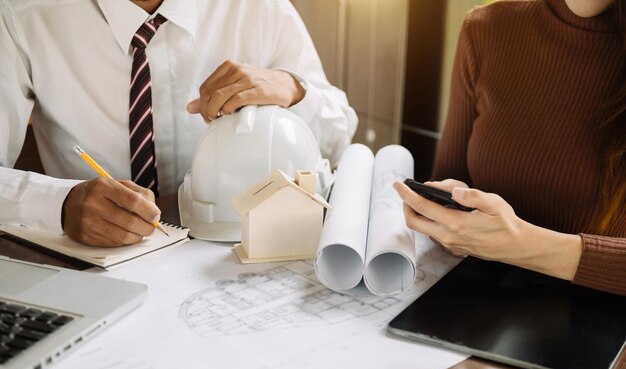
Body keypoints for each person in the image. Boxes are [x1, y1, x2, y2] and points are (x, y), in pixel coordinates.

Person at [0, 0, 357, 247]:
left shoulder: (260, 8)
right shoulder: (19, 15)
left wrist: (295, 90)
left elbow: (340, 138)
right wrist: (59, 204)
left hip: (237, 250)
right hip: (93, 262)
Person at [394, 0, 626, 295]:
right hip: (476, 311)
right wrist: (452, 218)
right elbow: (449, 181)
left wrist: (523, 246)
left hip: (603, 329)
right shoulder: (486, 28)